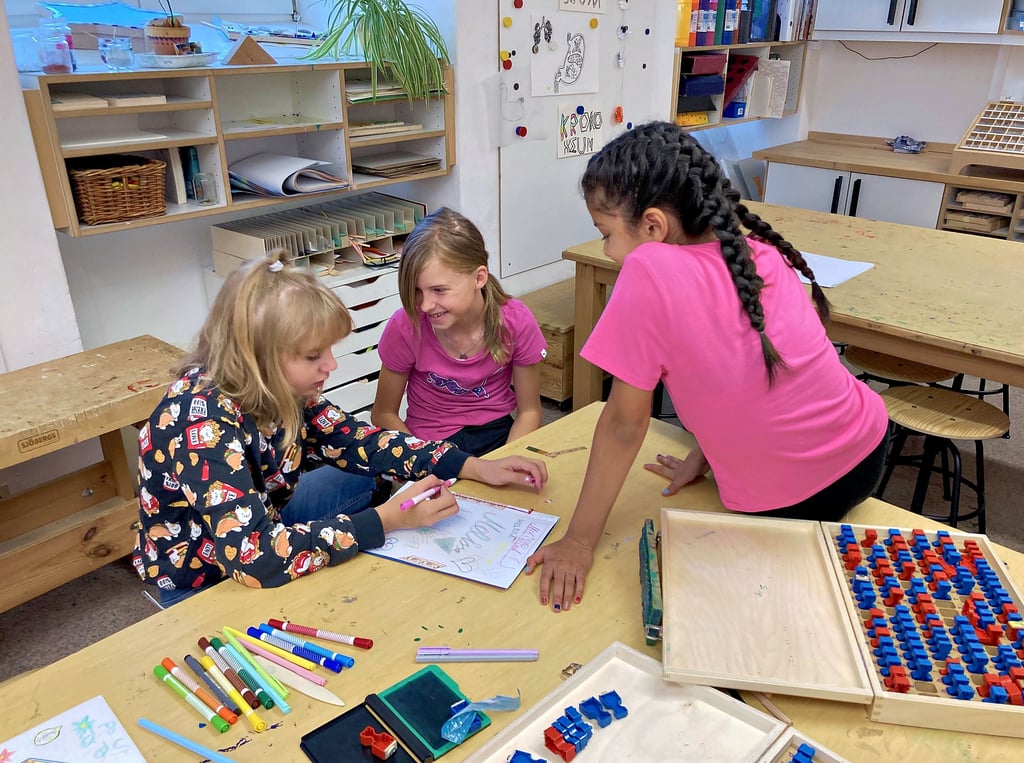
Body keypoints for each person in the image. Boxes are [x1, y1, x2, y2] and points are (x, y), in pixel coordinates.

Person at [526, 121, 889, 612]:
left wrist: (579, 542)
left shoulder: (648, 270)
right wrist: (714, 447)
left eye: (606, 233)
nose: (607, 250)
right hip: (866, 452)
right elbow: (765, 377)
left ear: (653, 226)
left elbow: (622, 425)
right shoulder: (755, 253)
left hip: (789, 501)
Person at [131, 250, 547, 605]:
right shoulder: (200, 424)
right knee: (361, 528)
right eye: (314, 356)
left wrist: (471, 466)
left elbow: (360, 442)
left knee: (371, 474)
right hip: (204, 577)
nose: (330, 365)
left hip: (265, 515)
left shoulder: (278, 386)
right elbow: (254, 559)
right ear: (257, 356)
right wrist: (385, 522)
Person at [371, 207, 548, 456]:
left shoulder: (515, 321)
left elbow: (530, 412)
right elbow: (383, 414)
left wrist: (505, 462)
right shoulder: (406, 326)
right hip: (428, 444)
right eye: (417, 291)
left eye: (439, 290)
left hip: (497, 435)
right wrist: (423, 461)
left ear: (479, 278)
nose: (425, 305)